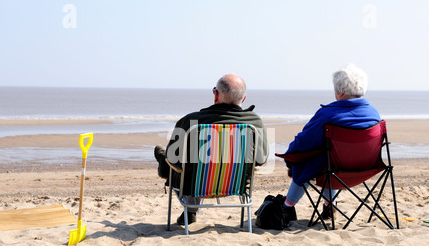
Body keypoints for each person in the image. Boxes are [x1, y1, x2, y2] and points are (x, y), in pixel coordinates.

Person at [154, 74, 269, 225]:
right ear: (244, 98)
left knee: (179, 164)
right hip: (236, 185)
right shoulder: (254, 123)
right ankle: (189, 209)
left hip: (195, 185)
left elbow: (174, 159)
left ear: (216, 94)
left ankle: (163, 167)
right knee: (197, 163)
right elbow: (261, 160)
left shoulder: (191, 120)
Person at [281, 64, 382, 220]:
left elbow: (303, 142)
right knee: (329, 159)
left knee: (305, 163)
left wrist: (290, 158)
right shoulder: (374, 114)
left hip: (334, 170)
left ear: (340, 93)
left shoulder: (328, 114)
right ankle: (330, 206)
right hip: (366, 169)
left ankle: (287, 207)